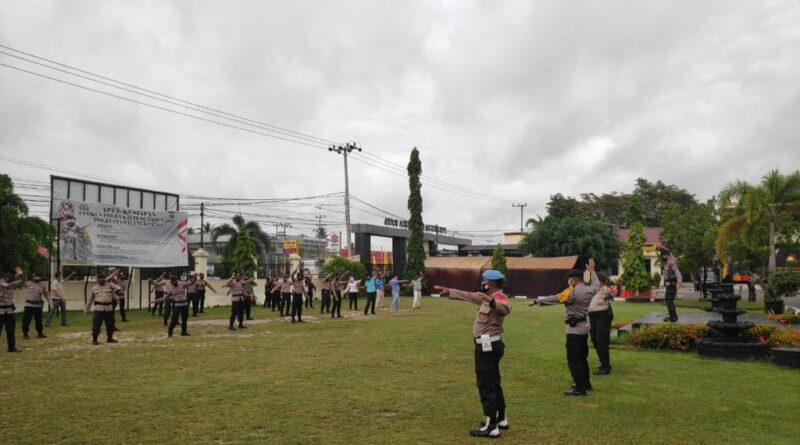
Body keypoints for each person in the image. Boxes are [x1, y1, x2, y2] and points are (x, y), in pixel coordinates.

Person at [433, 270, 512, 438]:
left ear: (490, 283)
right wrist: (450, 291)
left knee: (486, 384)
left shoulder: (498, 297)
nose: (482, 282)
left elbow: (505, 308)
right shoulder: (485, 297)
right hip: (488, 345)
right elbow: (469, 296)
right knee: (494, 382)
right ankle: (500, 418)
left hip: (488, 346)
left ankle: (491, 426)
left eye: (484, 280)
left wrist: (491, 301)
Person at [531, 259, 599, 396]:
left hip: (573, 330)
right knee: (582, 358)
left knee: (574, 360)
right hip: (584, 328)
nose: (569, 281)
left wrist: (537, 301)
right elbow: (597, 285)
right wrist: (592, 271)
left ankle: (579, 388)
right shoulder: (589, 290)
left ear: (574, 279)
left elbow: (555, 298)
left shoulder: (572, 293)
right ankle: (586, 383)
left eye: (570, 279)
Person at [84, 274, 122, 345]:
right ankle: (94, 339)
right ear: (97, 280)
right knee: (96, 324)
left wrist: (110, 283)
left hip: (109, 308)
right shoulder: (94, 288)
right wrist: (86, 309)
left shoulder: (110, 286)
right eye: (100, 279)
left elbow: (118, 289)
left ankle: (110, 338)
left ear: (105, 279)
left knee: (110, 324)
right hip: (98, 308)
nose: (101, 280)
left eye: (103, 279)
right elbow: (90, 299)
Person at [588, 273, 613, 375]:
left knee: (601, 340)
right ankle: (604, 363)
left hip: (602, 316)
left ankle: (605, 366)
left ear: (601, 281)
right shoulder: (593, 290)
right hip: (593, 317)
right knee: (594, 339)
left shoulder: (605, 289)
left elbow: (606, 299)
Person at [22, 272, 52, 339]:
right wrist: (22, 275)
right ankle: (25, 333)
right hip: (29, 305)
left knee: (39, 320)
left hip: (38, 305)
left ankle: (40, 333)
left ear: (41, 278)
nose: (37, 278)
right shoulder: (28, 283)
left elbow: (47, 294)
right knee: (26, 320)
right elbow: (22, 282)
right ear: (33, 277)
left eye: (39, 277)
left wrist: (50, 302)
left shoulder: (42, 285)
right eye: (36, 276)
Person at [1, 270, 25, 352]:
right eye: (5, 278)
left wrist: (21, 275)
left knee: (11, 331)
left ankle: (11, 347)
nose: (7, 279)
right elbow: (4, 284)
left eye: (8, 278)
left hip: (9, 311)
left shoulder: (12, 285)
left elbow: (22, 283)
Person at [660, 247, 682, 322]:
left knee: (668, 300)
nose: (663, 257)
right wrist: (661, 247)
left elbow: (677, 273)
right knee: (669, 300)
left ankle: (673, 316)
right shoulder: (670, 260)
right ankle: (671, 315)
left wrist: (679, 282)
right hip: (670, 285)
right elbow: (669, 253)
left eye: (663, 255)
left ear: (666, 254)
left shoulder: (671, 262)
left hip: (672, 285)